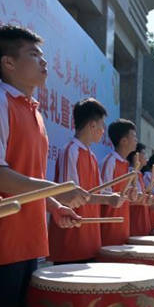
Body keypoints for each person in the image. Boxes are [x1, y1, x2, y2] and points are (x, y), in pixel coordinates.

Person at [0, 25, 88, 307]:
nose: (44, 61)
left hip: (28, 243)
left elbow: (28, 178)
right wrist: (58, 190)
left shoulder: (35, 113)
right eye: (33, 54)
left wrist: (53, 205)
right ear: (8, 62)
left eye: (42, 55)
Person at [48, 100, 122, 263]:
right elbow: (68, 197)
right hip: (71, 239)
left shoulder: (92, 156)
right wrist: (108, 199)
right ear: (92, 125)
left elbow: (99, 193)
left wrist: (118, 196)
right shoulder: (70, 150)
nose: (103, 131)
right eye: (102, 125)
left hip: (89, 239)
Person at [99, 119, 137, 245]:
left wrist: (131, 195)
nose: (136, 140)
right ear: (123, 141)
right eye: (134, 136)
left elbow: (121, 193)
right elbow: (102, 193)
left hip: (122, 223)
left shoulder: (125, 164)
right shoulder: (110, 161)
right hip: (109, 226)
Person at [127, 144, 152, 236]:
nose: (146, 157)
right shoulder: (130, 172)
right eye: (144, 153)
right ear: (135, 156)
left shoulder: (139, 173)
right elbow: (133, 198)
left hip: (141, 218)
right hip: (135, 219)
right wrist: (143, 198)